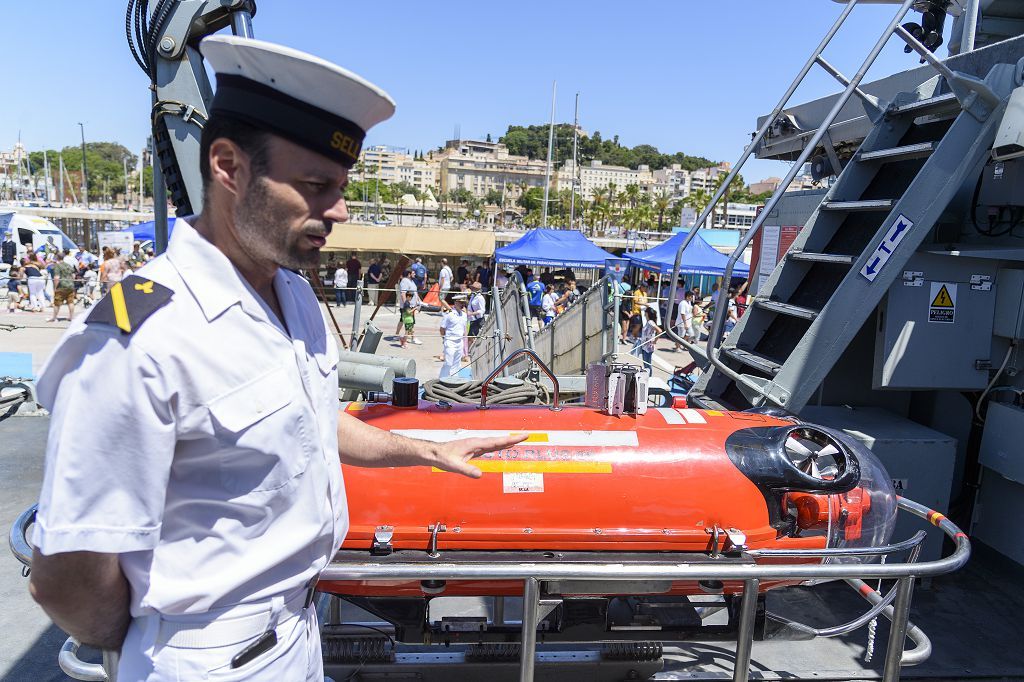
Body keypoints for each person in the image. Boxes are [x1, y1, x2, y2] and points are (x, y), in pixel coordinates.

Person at [27, 36, 523, 682]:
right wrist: (163, 642)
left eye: (340, 187)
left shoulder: (291, 291)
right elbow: (68, 575)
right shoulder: (140, 337)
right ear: (229, 167)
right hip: (206, 660)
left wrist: (423, 451)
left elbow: (310, 415)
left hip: (298, 634)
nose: (338, 211)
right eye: (316, 186)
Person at [439, 293, 469, 377]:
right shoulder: (449, 315)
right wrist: (444, 339)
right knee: (448, 363)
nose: (462, 305)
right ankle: (442, 379)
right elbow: (442, 329)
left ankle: (453, 379)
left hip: (459, 342)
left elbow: (464, 328)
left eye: (463, 303)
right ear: (455, 303)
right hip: (450, 341)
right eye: (460, 303)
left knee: (457, 363)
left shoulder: (464, 315)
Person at [49, 251, 77, 322]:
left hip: (61, 286)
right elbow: (73, 275)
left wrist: (55, 287)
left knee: (57, 302)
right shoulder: (68, 265)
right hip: (70, 285)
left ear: (57, 257)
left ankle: (54, 317)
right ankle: (71, 317)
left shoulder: (58, 266)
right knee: (70, 302)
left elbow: (56, 277)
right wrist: (70, 282)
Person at [635, 307, 661, 375]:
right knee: (646, 364)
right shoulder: (648, 322)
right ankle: (648, 376)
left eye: (645, 313)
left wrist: (655, 341)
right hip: (645, 346)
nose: (644, 315)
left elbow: (659, 331)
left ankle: (649, 377)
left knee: (647, 364)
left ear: (647, 313)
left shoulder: (650, 322)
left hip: (648, 346)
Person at [467, 281, 486, 347]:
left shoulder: (480, 298)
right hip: (472, 319)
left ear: (477, 289)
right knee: (470, 337)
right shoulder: (473, 296)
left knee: (472, 337)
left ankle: (469, 352)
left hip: (478, 320)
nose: (471, 289)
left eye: (473, 288)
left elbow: (482, 311)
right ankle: (468, 351)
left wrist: (472, 313)